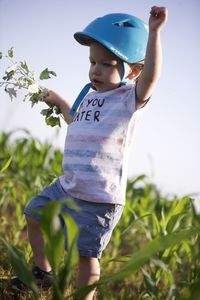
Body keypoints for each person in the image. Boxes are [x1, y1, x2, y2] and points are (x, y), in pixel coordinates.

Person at [11, 6, 168, 300]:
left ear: (133, 71)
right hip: (68, 185)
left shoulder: (128, 99)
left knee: (87, 256)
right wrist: (59, 101)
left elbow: (151, 80)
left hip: (99, 196)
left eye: (107, 63)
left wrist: (155, 32)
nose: (96, 69)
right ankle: (43, 272)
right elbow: (76, 119)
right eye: (93, 61)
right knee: (34, 213)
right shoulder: (89, 94)